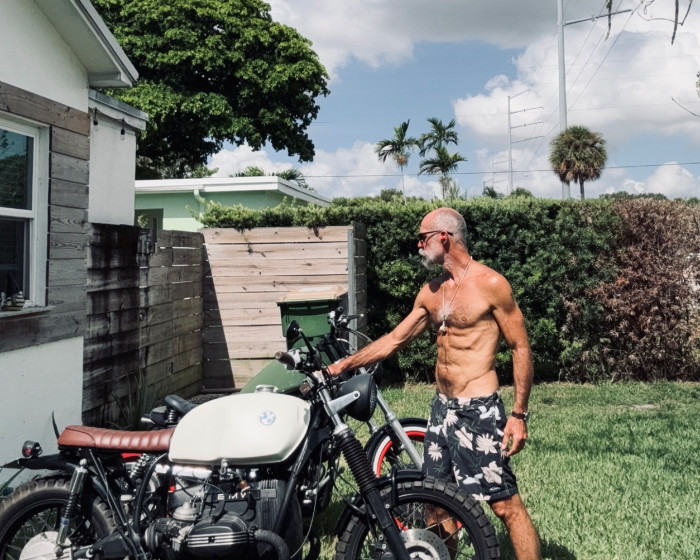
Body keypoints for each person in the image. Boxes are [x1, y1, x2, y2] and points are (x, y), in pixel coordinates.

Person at [322, 207, 541, 560]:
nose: (419, 245)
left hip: (478, 410)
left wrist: (518, 415)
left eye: (423, 238)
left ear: (444, 237)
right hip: (442, 410)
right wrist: (341, 366)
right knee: (437, 505)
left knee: (504, 504)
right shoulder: (432, 291)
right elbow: (394, 340)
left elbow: (521, 347)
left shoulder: (490, 284)